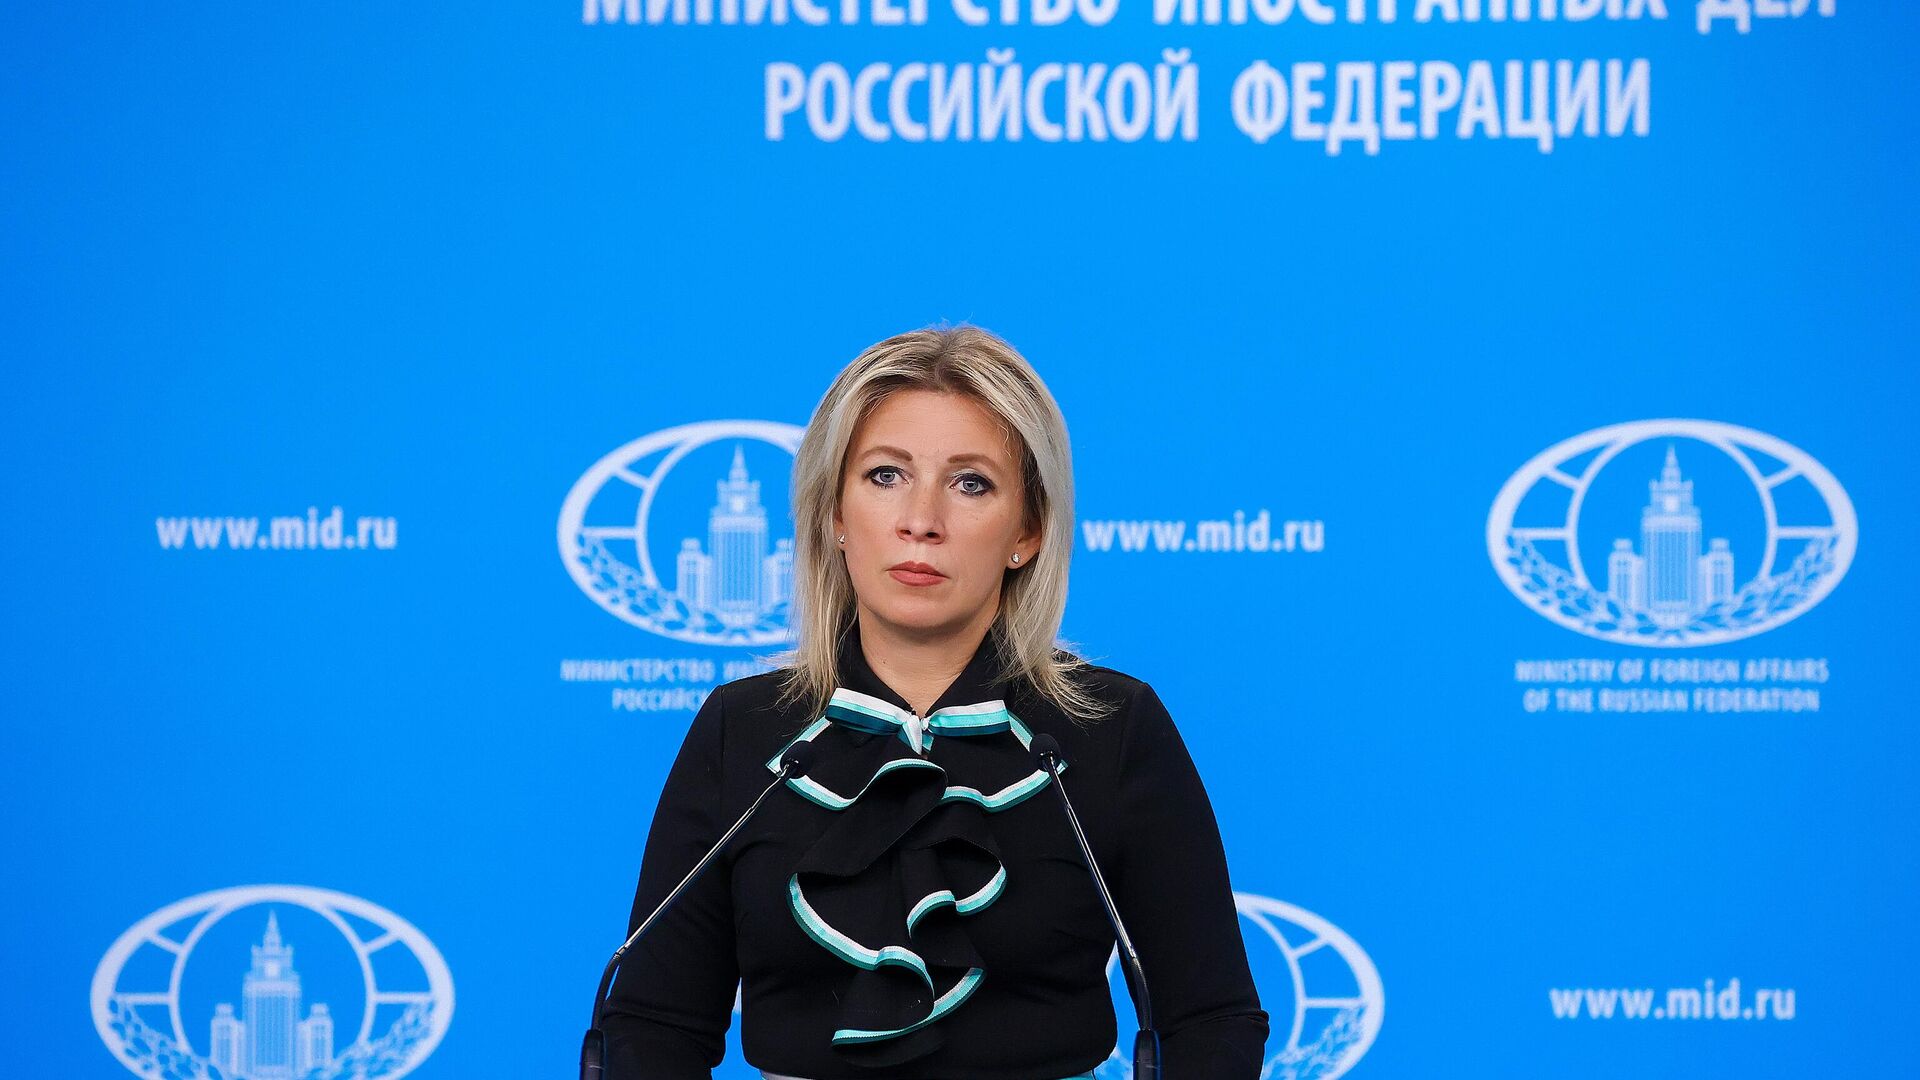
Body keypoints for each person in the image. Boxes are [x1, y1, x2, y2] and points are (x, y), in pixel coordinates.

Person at [601, 326, 1267, 1079]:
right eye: (885, 475)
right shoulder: (743, 730)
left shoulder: (1112, 728)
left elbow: (1211, 1019)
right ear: (834, 514)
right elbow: (654, 1024)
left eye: (970, 483)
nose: (921, 519)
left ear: (1028, 531)